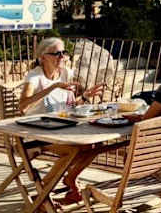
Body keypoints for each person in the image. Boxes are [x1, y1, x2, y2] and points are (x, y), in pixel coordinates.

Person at [18, 37, 109, 204]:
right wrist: (52, 87)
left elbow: (69, 106)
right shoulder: (35, 76)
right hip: (37, 133)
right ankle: (44, 192)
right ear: (43, 57)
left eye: (63, 53)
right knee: (73, 150)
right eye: (56, 54)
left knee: (96, 145)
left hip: (62, 129)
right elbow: (23, 106)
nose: (61, 57)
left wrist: (85, 97)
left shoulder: (66, 73)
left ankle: (70, 179)